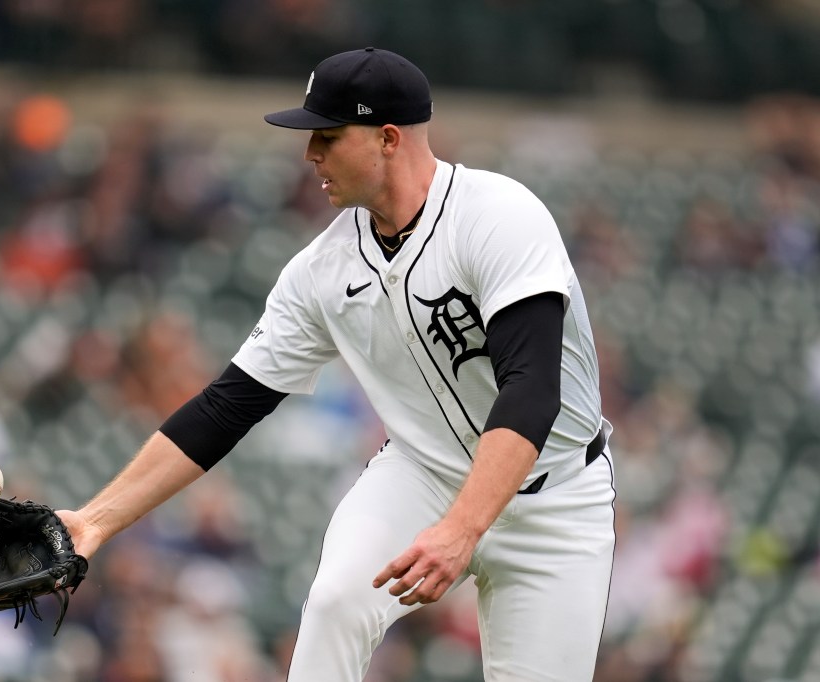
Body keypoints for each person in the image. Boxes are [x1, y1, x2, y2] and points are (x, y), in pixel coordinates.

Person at [59, 47, 616, 682]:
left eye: (326, 135)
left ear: (386, 138)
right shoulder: (321, 270)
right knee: (333, 604)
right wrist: (96, 521)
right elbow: (225, 407)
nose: (309, 155)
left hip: (559, 497)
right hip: (424, 475)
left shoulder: (498, 216)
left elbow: (532, 389)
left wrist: (463, 529)